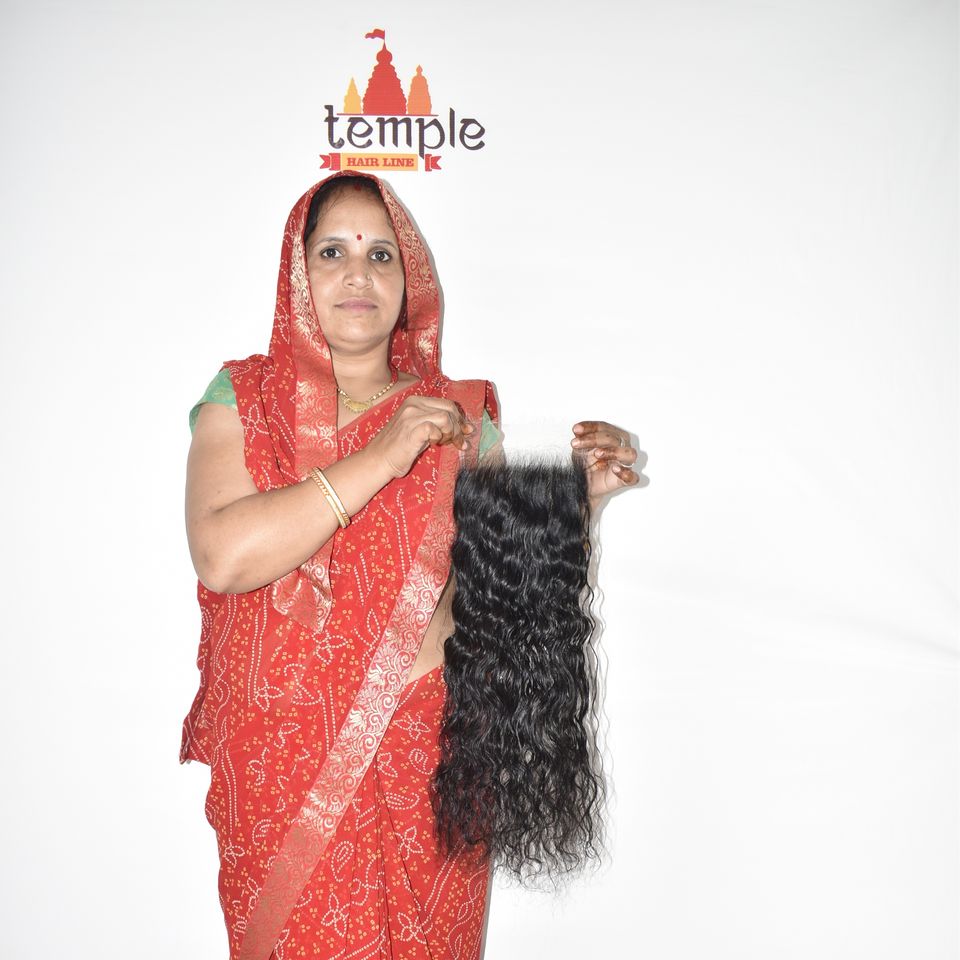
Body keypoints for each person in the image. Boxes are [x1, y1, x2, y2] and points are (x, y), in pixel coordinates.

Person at [180, 171, 640, 960]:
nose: (358, 274)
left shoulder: (457, 419)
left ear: (410, 278)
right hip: (280, 772)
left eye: (381, 254)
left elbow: (502, 601)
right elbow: (223, 557)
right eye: (332, 252)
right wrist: (384, 454)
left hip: (426, 766)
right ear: (298, 272)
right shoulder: (242, 397)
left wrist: (577, 505)